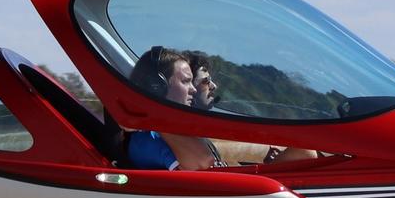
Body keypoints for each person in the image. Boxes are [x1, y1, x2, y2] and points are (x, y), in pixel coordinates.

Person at [123, 45, 316, 170]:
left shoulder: (174, 133)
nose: (192, 89)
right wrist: (157, 112)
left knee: (304, 153)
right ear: (159, 87)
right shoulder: (147, 139)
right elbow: (201, 163)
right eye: (186, 81)